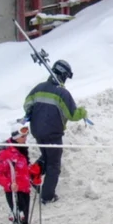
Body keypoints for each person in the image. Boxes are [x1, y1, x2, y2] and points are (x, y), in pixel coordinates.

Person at [23, 59, 87, 204]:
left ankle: (32, 174)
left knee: (46, 155)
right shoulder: (62, 93)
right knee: (53, 164)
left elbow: (27, 104)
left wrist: (35, 113)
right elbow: (73, 115)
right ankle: (47, 196)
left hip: (37, 131)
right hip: (53, 133)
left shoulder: (38, 88)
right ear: (64, 75)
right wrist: (83, 112)